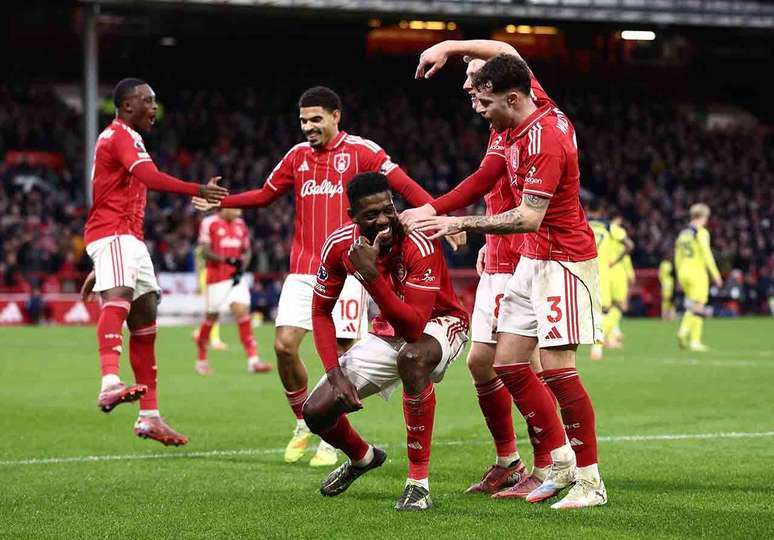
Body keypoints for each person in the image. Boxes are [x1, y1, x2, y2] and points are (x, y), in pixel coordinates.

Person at [193, 86, 459, 467]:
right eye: (303, 120)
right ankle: (305, 422)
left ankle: (333, 438)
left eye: (316, 119)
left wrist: (437, 215)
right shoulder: (297, 157)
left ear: (337, 116)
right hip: (303, 267)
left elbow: (401, 186)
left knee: (346, 349)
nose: (308, 127)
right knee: (285, 346)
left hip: (352, 267)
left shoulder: (363, 151)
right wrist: (224, 201)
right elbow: (265, 195)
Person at [411, 53, 607, 509]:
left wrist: (462, 223)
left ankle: (590, 480)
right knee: (508, 363)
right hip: (529, 261)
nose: (479, 108)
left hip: (563, 260)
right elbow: (487, 177)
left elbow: (529, 216)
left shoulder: (547, 138)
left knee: (558, 369)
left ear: (514, 97)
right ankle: (557, 463)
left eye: (485, 100)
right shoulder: (514, 121)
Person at [409, 38, 551, 497]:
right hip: (496, 255)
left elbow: (504, 47)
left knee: (525, 367)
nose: (471, 96)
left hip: (526, 254)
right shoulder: (499, 129)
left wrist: (448, 46)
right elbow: (483, 180)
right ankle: (508, 460)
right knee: (481, 364)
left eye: (475, 86)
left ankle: (550, 465)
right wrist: (436, 212)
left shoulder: (532, 110)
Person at [303, 172, 469, 511]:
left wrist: (372, 276)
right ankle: (363, 458)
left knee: (412, 357)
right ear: (353, 218)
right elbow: (320, 312)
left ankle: (418, 484)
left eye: (388, 209)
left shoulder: (418, 242)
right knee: (316, 412)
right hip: (388, 330)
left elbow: (414, 328)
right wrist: (334, 374)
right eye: (371, 215)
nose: (383, 220)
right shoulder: (339, 246)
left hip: (440, 323)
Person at [82, 78, 228, 445]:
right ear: (127, 105)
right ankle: (109, 382)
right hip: (115, 233)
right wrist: (197, 189)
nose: (154, 108)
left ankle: (149, 416)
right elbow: (148, 176)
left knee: (145, 321)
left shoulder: (124, 138)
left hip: (128, 239)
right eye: (148, 101)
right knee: (118, 299)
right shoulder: (120, 135)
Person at [194, 208, 271, 375]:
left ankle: (253, 361)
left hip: (236, 279)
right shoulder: (209, 223)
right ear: (225, 208)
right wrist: (226, 260)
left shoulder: (240, 224)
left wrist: (241, 266)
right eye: (235, 209)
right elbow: (205, 251)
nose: (239, 213)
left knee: (242, 313)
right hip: (216, 278)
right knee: (211, 318)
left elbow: (247, 250)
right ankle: (201, 359)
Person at [675, 203, 722, 351]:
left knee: (694, 304)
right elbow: (707, 254)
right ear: (703, 217)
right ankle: (687, 334)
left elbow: (677, 255)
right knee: (699, 305)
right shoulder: (701, 232)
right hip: (697, 271)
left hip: (683, 270)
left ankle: (692, 338)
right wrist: (716, 274)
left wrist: (678, 275)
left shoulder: (683, 234)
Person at [586, 199, 613, 361]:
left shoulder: (580, 225)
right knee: (605, 310)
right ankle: (597, 346)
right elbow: (628, 244)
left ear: (588, 210)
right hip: (602, 272)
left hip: (582, 270)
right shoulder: (609, 228)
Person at [192, 244, 230, 351]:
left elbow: (197, 266)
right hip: (210, 275)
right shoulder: (210, 245)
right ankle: (214, 340)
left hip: (206, 276)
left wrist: (198, 284)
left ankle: (200, 333)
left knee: (213, 310)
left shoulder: (200, 248)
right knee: (214, 310)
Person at [606, 212, 634, 348]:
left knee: (607, 307)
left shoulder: (599, 230)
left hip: (603, 271)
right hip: (616, 271)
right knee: (619, 305)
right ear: (618, 219)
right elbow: (628, 248)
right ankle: (606, 336)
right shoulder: (617, 231)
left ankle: (611, 336)